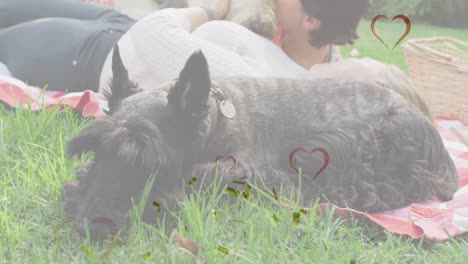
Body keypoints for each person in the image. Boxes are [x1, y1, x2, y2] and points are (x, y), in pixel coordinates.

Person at [0, 0, 371, 94]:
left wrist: (210, 11)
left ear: (312, 20)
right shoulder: (316, 54)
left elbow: (155, 36)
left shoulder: (268, 83)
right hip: (120, 27)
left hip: (96, 55)